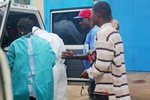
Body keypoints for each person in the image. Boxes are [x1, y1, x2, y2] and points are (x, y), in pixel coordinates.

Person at [80, 1, 131, 100]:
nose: (90, 17)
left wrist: (89, 72)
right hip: (116, 87)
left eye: (92, 14)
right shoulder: (113, 31)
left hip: (108, 92)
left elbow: (102, 65)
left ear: (97, 15)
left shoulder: (103, 33)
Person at [7, 18, 56, 100]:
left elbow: (8, 64)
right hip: (42, 85)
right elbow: (52, 61)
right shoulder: (44, 43)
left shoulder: (14, 45)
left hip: (23, 87)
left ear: (21, 30)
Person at [32, 26, 67, 100]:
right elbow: (64, 51)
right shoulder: (55, 36)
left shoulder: (38, 39)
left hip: (49, 69)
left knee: (50, 94)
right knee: (61, 93)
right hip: (61, 68)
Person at [73, 9, 99, 99]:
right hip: (92, 75)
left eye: (81, 19)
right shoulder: (90, 33)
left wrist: (74, 56)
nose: (79, 23)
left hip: (95, 75)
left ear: (89, 19)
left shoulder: (95, 32)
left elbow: (93, 55)